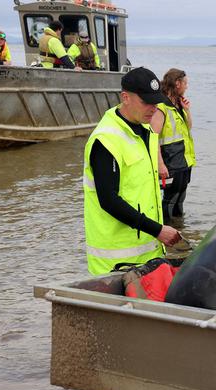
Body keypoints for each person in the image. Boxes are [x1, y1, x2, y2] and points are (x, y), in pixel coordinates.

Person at [83, 67, 181, 275]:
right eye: (146, 102)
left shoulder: (146, 131)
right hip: (115, 261)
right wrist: (158, 230)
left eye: (156, 102)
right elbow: (108, 200)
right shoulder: (106, 139)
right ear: (125, 97)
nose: (153, 108)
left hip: (149, 253)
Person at [149, 68, 195, 224]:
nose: (186, 86)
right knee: (170, 199)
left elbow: (188, 127)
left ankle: (180, 230)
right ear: (177, 83)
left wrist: (187, 110)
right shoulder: (161, 107)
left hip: (183, 161)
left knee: (180, 198)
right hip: (170, 163)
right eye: (185, 83)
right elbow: (153, 137)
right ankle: (167, 232)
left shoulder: (178, 104)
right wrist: (160, 164)